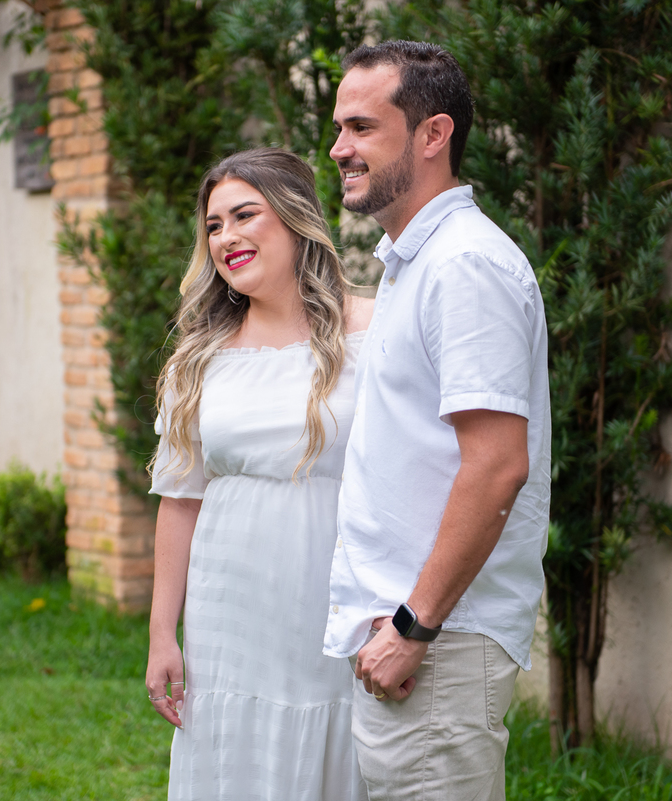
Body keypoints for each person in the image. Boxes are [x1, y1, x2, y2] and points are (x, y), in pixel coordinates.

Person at [322, 41, 550, 801]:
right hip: (415, 636)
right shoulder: (416, 263)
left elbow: (497, 464)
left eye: (361, 127)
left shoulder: (464, 266)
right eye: (339, 127)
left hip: (437, 643)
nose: (339, 148)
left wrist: (413, 626)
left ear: (433, 134)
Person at [145, 147, 372, 801]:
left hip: (336, 602)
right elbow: (180, 500)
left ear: (295, 217)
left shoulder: (375, 329)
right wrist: (162, 635)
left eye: (245, 215)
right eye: (214, 225)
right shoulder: (199, 359)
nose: (226, 238)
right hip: (230, 616)